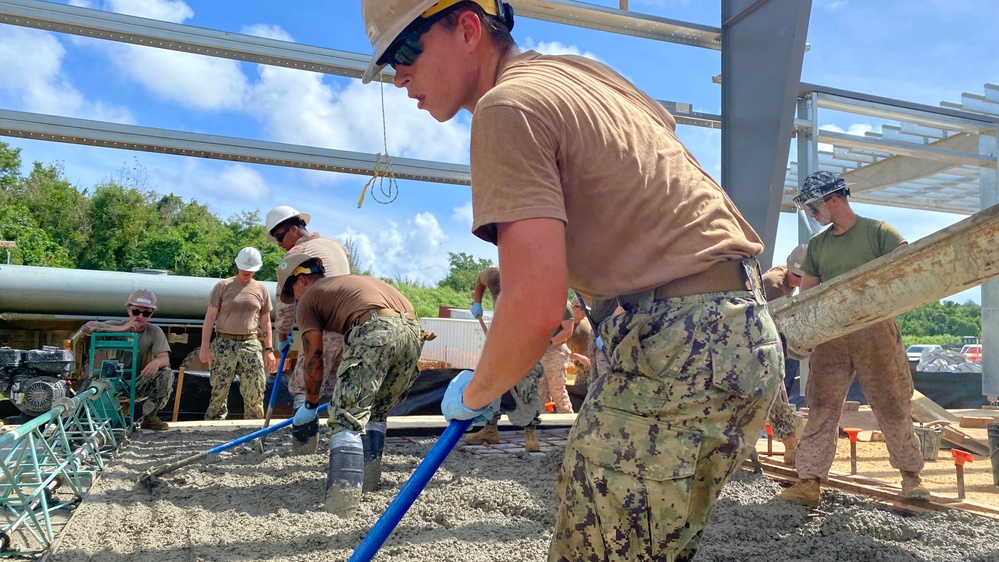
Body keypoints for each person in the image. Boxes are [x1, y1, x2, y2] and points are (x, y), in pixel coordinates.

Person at [360, 2, 782, 560]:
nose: (399, 74)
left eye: (405, 50)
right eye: (390, 62)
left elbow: (535, 309)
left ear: (466, 27)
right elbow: (653, 145)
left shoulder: (504, 108)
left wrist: (478, 392)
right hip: (736, 331)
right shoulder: (583, 76)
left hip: (676, 344)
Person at [777, 171, 930, 507]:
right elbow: (808, 295)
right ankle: (809, 481)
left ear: (833, 199)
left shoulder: (878, 233)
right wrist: (802, 330)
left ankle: (910, 477)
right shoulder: (817, 246)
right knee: (821, 407)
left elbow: (907, 271)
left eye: (814, 208)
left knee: (891, 402)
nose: (812, 216)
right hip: (832, 335)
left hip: (875, 331)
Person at [277, 252, 423, 516]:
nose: (295, 299)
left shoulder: (310, 298)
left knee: (345, 418)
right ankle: (368, 483)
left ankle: (341, 503)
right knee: (375, 411)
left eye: (292, 291)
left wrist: (310, 404)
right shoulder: (348, 284)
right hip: (413, 330)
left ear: (301, 280)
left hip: (376, 329)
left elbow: (314, 357)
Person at [265, 205, 352, 454]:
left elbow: (286, 302)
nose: (280, 244)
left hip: (320, 325)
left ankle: (303, 449)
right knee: (338, 388)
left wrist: (283, 335)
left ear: (294, 229)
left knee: (305, 384)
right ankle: (342, 449)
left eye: (280, 237)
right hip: (348, 327)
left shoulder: (297, 256)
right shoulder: (337, 246)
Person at [466, 266, 543, 452]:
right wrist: (477, 302)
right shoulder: (494, 275)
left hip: (526, 338)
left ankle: (530, 431)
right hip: (500, 335)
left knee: (527, 385)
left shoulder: (534, 277)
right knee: (491, 384)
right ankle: (490, 429)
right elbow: (480, 279)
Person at [199, 247, 277, 420]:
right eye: (244, 268)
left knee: (255, 389)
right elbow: (210, 318)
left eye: (251, 269)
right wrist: (205, 347)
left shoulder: (261, 290)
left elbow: (265, 322)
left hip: (250, 342)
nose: (247, 272)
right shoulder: (223, 286)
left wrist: (269, 349)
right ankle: (214, 426)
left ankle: (253, 428)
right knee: (219, 390)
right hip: (223, 343)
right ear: (237, 265)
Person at [81, 289, 174, 430]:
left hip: (138, 382)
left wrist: (157, 362)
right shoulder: (115, 325)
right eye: (136, 312)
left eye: (146, 313)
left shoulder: (154, 331)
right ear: (129, 310)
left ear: (151, 314)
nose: (140, 317)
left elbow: (164, 358)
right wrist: (122, 328)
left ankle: (150, 417)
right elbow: (86, 328)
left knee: (166, 373)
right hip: (111, 384)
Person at [760, 244, 808, 465]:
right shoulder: (774, 285)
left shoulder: (789, 278)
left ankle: (789, 441)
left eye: (802, 277)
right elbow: (767, 327)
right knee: (775, 393)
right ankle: (790, 441)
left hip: (772, 337)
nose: (798, 282)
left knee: (780, 389)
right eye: (796, 276)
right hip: (759, 342)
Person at [538, 301, 575, 414]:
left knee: (557, 391)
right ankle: (544, 423)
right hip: (538, 353)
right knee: (541, 392)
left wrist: (549, 342)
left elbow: (568, 330)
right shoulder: (536, 301)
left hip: (555, 351)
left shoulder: (563, 305)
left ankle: (568, 421)